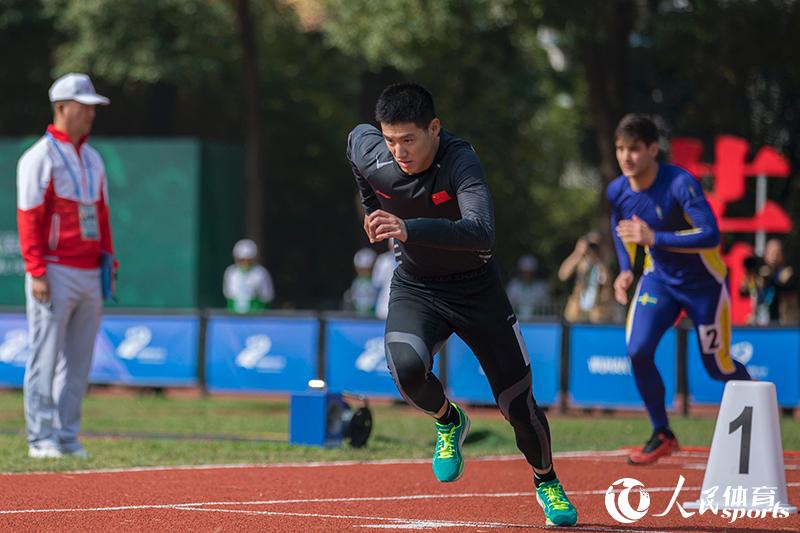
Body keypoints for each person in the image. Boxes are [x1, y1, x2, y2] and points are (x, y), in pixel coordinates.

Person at [346, 82, 577, 527]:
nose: (398, 151)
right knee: (406, 369)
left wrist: (409, 228)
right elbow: (354, 147)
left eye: (409, 139)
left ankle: (546, 481)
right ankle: (448, 421)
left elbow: (482, 231)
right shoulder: (370, 148)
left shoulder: (459, 161)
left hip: (477, 290)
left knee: (518, 406)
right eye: (390, 140)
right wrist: (371, 206)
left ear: (435, 128)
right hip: (417, 286)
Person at [608, 114, 751, 465]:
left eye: (634, 149)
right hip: (658, 280)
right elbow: (619, 225)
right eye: (620, 149)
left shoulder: (680, 184)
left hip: (704, 286)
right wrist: (626, 270)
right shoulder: (618, 189)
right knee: (637, 350)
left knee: (717, 367)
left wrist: (655, 238)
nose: (626, 157)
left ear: (653, 149)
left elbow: (711, 234)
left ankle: (756, 417)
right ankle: (662, 433)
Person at [16, 73, 116, 458]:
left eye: (93, 107)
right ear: (61, 108)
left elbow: (102, 215)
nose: (90, 114)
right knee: (45, 354)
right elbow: (29, 217)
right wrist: (37, 270)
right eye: (84, 106)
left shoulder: (93, 157)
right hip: (54, 270)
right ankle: (40, 437)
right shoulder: (38, 157)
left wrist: (108, 258)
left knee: (79, 359)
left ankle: (67, 434)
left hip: (90, 271)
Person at [558, 232, 614, 323]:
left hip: (598, 313)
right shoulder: (581, 262)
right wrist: (578, 252)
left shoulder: (604, 264)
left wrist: (600, 258)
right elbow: (563, 275)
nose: (592, 249)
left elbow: (606, 280)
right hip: (576, 311)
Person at [740, 238, 798, 325]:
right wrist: (752, 279)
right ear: (765, 254)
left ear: (782, 255)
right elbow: (744, 292)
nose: (774, 256)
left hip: (783, 323)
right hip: (760, 322)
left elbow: (783, 286)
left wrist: (769, 276)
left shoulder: (788, 273)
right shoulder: (759, 274)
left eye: (777, 253)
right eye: (771, 253)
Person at [223, 238, 274, 314]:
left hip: (256, 317)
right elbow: (228, 294)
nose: (244, 263)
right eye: (241, 260)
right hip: (234, 317)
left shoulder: (261, 273)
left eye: (248, 260)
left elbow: (267, 296)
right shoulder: (230, 273)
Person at [506, 254, 550, 320]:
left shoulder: (541, 287)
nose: (527, 275)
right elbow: (507, 304)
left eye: (530, 272)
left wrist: (536, 311)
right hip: (516, 320)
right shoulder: (513, 286)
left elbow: (546, 305)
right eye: (525, 272)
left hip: (538, 321)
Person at [343, 247, 378, 316]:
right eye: (361, 269)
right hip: (359, 319)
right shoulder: (356, 282)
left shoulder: (377, 281)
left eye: (367, 269)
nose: (364, 272)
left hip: (375, 319)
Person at [372, 238, 398, 320]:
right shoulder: (383, 260)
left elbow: (376, 283)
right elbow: (376, 283)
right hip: (384, 306)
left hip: (398, 306)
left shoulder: (383, 260)